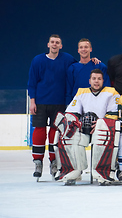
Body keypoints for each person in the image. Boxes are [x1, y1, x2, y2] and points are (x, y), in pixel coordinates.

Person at [54, 69, 120, 185]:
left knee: (102, 131)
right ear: (89, 80)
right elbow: (71, 113)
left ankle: (102, 171)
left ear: (103, 81)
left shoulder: (111, 92)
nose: (96, 81)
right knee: (69, 133)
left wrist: (100, 123)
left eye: (99, 79)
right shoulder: (81, 92)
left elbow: (114, 114)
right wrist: (76, 123)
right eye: (94, 78)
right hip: (83, 128)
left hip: (102, 127)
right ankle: (73, 170)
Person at [27, 34, 76, 180]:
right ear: (48, 45)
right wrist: (32, 101)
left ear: (61, 46)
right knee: (40, 131)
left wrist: (93, 62)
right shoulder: (38, 60)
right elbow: (32, 81)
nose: (55, 44)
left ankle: (54, 163)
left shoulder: (67, 59)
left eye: (58, 43)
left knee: (55, 133)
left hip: (59, 103)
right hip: (41, 102)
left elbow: (80, 66)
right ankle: (38, 162)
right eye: (52, 42)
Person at [66, 38, 110, 105]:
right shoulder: (72, 68)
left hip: (97, 103)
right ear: (78, 50)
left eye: (86, 47)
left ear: (91, 49)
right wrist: (68, 106)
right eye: (81, 47)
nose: (83, 49)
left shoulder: (100, 66)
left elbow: (107, 88)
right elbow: (69, 90)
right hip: (78, 104)